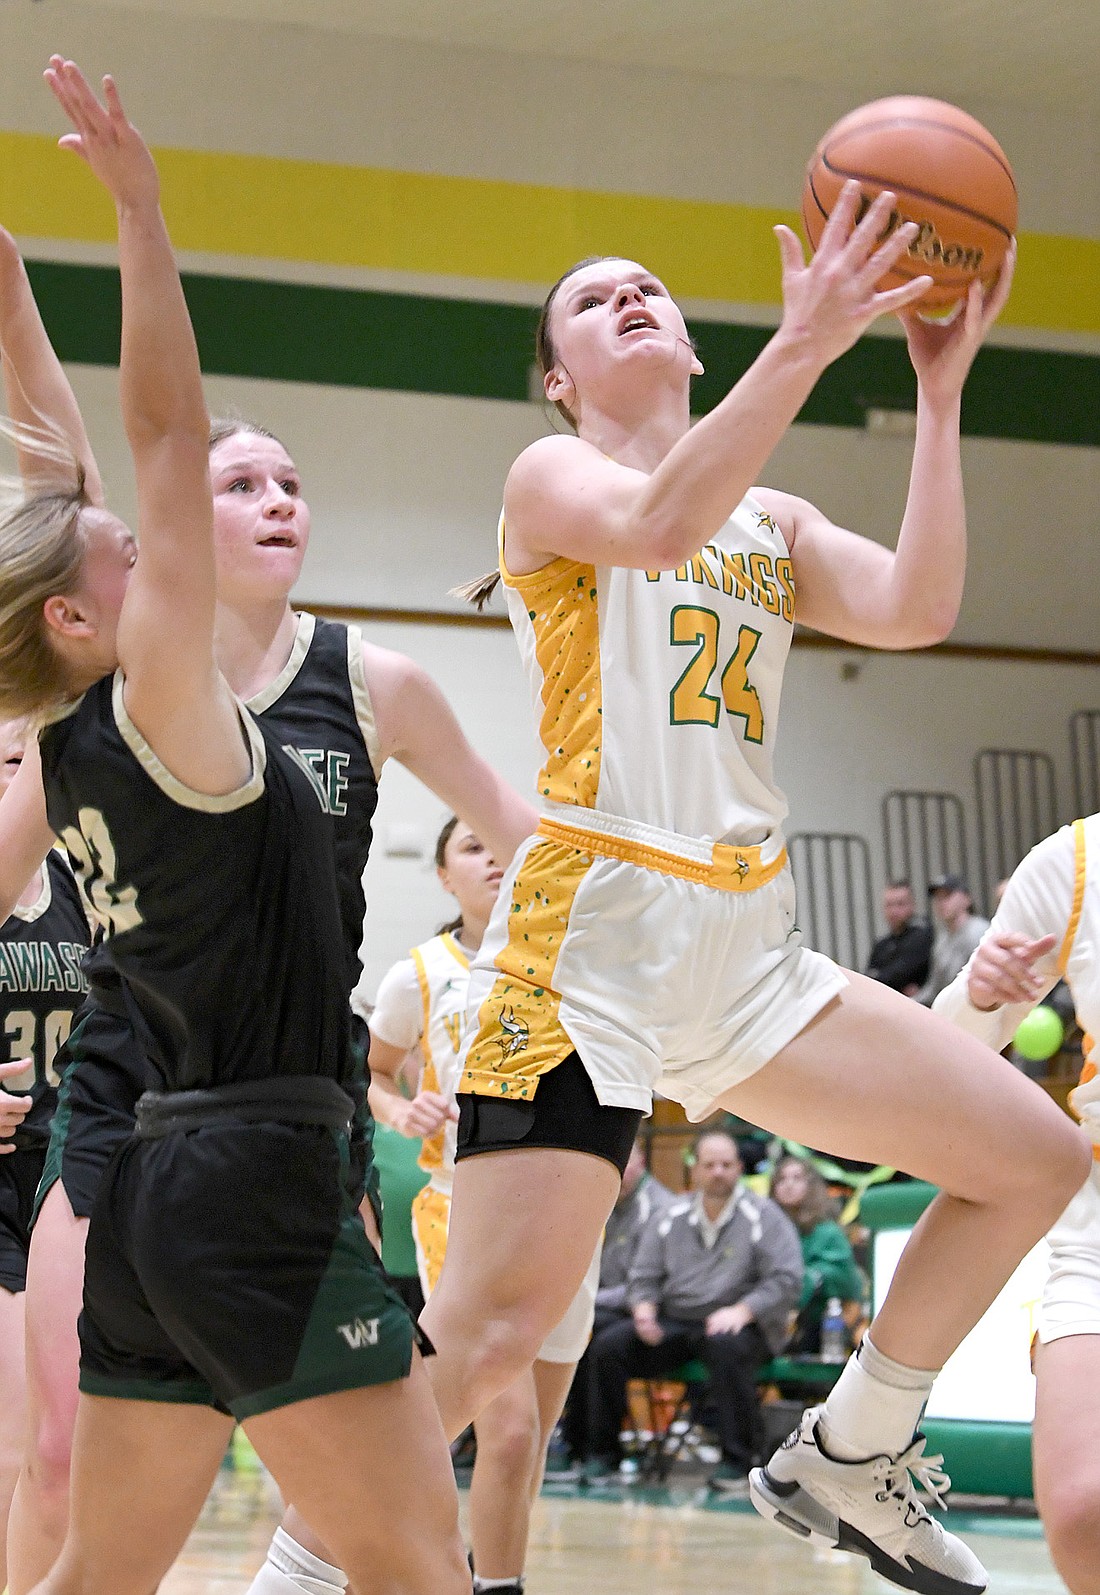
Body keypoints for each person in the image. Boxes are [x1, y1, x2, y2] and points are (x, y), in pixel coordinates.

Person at [418, 190, 1091, 1595]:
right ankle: (301, 1569)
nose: (633, 300)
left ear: (695, 352)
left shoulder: (769, 515)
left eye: (650, 287)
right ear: (560, 379)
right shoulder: (551, 479)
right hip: (591, 937)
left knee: (1033, 1155)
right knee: (484, 1342)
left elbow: (916, 605)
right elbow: (661, 524)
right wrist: (807, 337)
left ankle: (855, 1444)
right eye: (594, 302)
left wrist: (940, 390)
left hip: (748, 947)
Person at [0, 144, 536, 1595]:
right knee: (425, 1558)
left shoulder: (66, 734)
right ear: (80, 613)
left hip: (167, 1172)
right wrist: (138, 211)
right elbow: (156, 435)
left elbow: (68, 463)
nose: (149, 542)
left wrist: (7, 285)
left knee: (99, 1567)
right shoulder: (161, 694)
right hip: (248, 1156)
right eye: (130, 552)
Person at [365, 815, 592, 1595]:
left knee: (525, 1446)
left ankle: (456, 1562)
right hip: (461, 1209)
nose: (493, 856)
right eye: (470, 846)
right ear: (442, 876)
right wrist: (401, 1111)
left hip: (565, 1213)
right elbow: (373, 1070)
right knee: (509, 1426)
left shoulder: (570, 959)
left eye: (501, 844)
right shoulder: (419, 972)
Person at [933, 814, 1100, 1595]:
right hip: (1097, 1226)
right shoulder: (1072, 860)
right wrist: (976, 993)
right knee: (1082, 1510)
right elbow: (939, 1052)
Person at [583, 1129, 801, 1492]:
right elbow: (644, 1274)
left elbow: (786, 1278)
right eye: (709, 1165)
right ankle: (602, 1455)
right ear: (695, 1170)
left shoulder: (764, 1215)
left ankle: (738, 1460)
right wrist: (643, 1311)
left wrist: (743, 1311)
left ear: (739, 1169)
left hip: (738, 1323)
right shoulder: (670, 1215)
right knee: (609, 1346)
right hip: (677, 1320)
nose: (718, 1172)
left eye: (727, 1165)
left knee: (726, 1347)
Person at [0, 719, 89, 1589]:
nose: (28, 774)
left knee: (60, 1456)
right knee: (17, 1444)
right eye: (10, 759)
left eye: (39, 760)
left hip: (69, 1174)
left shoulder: (85, 881)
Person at [556, 1133, 674, 1471]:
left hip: (650, 1310)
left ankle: (602, 1449)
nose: (618, 1169)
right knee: (571, 1330)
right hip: (605, 1305)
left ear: (641, 1164)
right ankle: (572, 1440)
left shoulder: (659, 1208)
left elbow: (648, 1283)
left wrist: (585, 1299)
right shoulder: (599, 1199)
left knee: (597, 1340)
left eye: (625, 1161)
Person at [769, 1153, 864, 1353]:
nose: (788, 1185)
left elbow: (845, 1279)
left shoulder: (828, 1232)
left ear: (811, 1186)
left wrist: (810, 1279)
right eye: (782, 1179)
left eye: (796, 1178)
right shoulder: (764, 1231)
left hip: (823, 1322)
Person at [917, 875, 989, 1007]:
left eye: (947, 896)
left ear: (966, 899)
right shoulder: (942, 939)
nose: (941, 902)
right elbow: (934, 988)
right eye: (938, 898)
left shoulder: (979, 932)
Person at [866, 880, 932, 996]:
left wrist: (879, 977)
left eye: (900, 904)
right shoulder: (881, 944)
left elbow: (901, 973)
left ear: (912, 905)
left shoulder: (922, 935)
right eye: (889, 905)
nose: (894, 911)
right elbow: (869, 979)